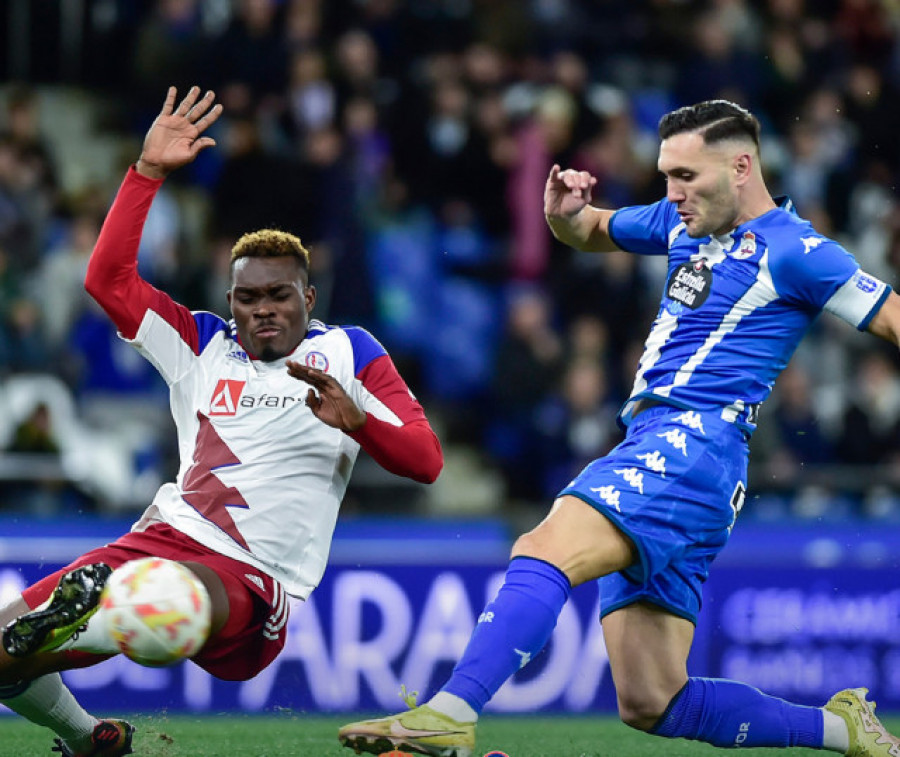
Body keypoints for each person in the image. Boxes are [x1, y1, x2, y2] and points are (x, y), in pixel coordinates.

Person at [337, 100, 900, 757]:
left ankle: (450, 710)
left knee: (546, 545)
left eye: (686, 175)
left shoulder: (799, 250)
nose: (672, 192)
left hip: (692, 444)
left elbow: (891, 317)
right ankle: (843, 730)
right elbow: (590, 230)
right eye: (666, 174)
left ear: (742, 166)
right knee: (653, 699)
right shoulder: (681, 221)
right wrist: (562, 215)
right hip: (676, 458)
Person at [0, 86, 443, 757]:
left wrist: (357, 420)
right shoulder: (201, 344)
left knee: (171, 602)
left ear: (308, 297)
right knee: (2, 649)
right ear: (229, 300)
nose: (263, 310)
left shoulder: (350, 352)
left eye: (279, 295)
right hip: (161, 536)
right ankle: (92, 738)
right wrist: (145, 173)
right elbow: (108, 281)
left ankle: (81, 618)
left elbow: (426, 460)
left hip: (251, 581)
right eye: (247, 297)